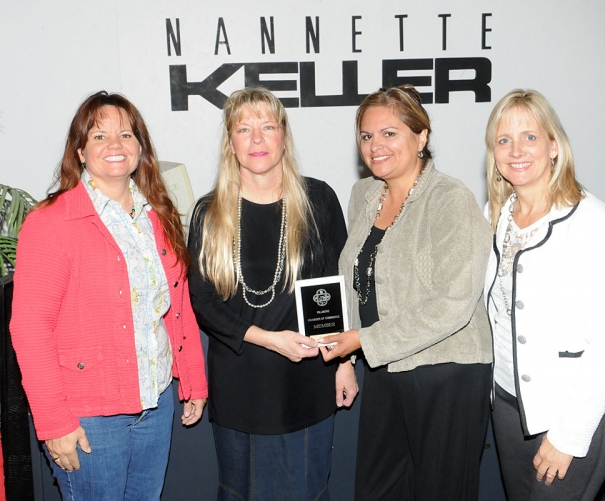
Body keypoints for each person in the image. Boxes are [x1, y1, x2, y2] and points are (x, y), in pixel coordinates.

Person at [10, 91, 208, 501]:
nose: (116, 145)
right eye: (99, 136)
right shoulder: (50, 222)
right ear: (80, 150)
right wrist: (53, 423)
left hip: (155, 405)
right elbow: (29, 329)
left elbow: (177, 303)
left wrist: (193, 380)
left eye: (126, 135)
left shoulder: (157, 214)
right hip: (88, 416)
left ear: (140, 148)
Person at [319, 84, 493, 500]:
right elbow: (354, 282)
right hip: (387, 367)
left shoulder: (451, 199)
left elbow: (454, 304)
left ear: (421, 136)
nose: (375, 146)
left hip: (447, 372)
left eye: (389, 133)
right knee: (378, 490)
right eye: (366, 136)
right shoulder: (363, 194)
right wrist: (345, 356)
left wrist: (363, 341)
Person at [188, 87, 357, 501]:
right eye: (245, 129)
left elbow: (335, 287)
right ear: (231, 143)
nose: (258, 139)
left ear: (284, 135)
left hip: (307, 381)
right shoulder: (209, 212)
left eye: (268, 127)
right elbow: (203, 303)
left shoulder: (318, 199)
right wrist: (268, 339)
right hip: (240, 385)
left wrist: (344, 361)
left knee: (306, 490)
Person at [483, 89, 605, 500]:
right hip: (510, 410)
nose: (516, 150)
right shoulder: (496, 214)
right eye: (504, 140)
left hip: (574, 415)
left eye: (530, 137)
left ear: (554, 146)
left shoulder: (591, 221)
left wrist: (569, 434)